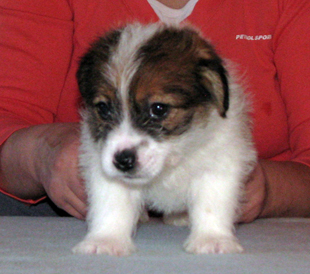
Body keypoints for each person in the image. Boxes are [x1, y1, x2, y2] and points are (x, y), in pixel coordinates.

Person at [0, 0, 310, 222]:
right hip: (63, 224)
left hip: (260, 234)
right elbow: (8, 116)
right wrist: (43, 152)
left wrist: (265, 190)